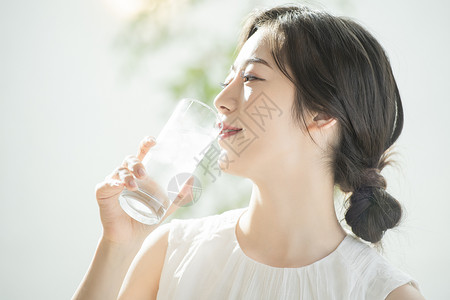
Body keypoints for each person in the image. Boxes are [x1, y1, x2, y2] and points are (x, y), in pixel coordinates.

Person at [72, 4, 426, 300]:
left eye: (251, 79)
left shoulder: (382, 292)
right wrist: (119, 245)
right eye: (229, 80)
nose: (220, 100)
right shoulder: (172, 251)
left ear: (322, 113)